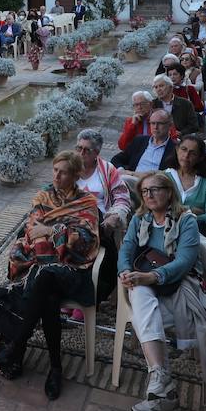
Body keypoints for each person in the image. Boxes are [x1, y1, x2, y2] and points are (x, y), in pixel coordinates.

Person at [0, 151, 99, 400]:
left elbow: (83, 241)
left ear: (76, 175)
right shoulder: (43, 197)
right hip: (43, 267)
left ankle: (17, 344)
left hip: (73, 268)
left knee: (45, 277)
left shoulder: (87, 202)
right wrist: (57, 233)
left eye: (64, 172)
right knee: (48, 291)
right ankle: (55, 368)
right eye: (54, 170)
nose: (57, 175)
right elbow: (31, 232)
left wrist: (50, 230)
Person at [120, 171, 206, 411]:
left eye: (155, 189)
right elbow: (126, 248)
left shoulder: (186, 220)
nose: (149, 195)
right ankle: (162, 383)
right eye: (145, 191)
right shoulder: (140, 218)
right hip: (147, 281)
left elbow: (184, 262)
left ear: (169, 192)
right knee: (138, 292)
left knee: (141, 312)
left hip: (181, 283)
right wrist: (125, 271)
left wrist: (151, 277)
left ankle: (161, 390)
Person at [73, 129, 131, 302]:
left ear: (97, 153)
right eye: (79, 148)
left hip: (98, 219)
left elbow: (122, 197)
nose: (81, 153)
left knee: (82, 242)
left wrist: (115, 216)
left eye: (86, 150)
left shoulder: (107, 170)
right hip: (71, 216)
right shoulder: (70, 167)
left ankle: (84, 293)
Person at [164, 135, 206, 239]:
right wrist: (191, 211)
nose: (186, 155)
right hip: (166, 234)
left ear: (200, 158)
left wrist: (177, 213)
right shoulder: (164, 177)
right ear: (177, 150)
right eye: (183, 149)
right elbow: (159, 210)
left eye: (193, 153)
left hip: (199, 237)